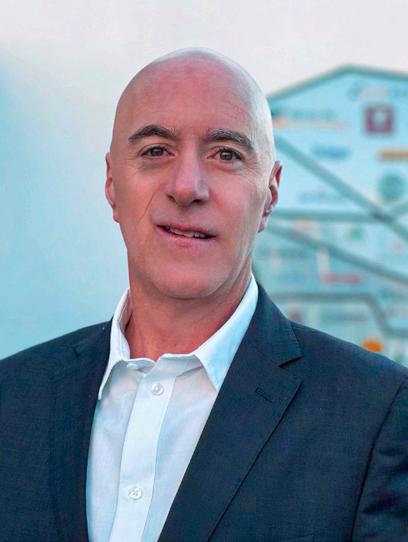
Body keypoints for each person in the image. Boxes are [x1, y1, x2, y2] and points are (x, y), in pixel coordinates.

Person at [1, 49, 407, 542]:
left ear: (270, 194)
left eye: (226, 154)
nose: (187, 187)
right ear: (111, 183)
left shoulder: (374, 414)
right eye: (156, 150)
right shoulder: (12, 399)